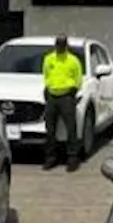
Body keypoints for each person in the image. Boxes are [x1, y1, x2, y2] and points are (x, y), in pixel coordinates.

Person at [42, 33, 85, 172]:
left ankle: (72, 159)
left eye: (62, 44)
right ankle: (50, 158)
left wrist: (74, 90)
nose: (60, 47)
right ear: (55, 45)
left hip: (67, 96)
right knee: (50, 129)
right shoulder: (49, 59)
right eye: (58, 44)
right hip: (52, 96)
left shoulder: (73, 60)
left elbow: (78, 78)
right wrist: (48, 89)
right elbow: (46, 75)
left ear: (66, 45)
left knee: (71, 129)